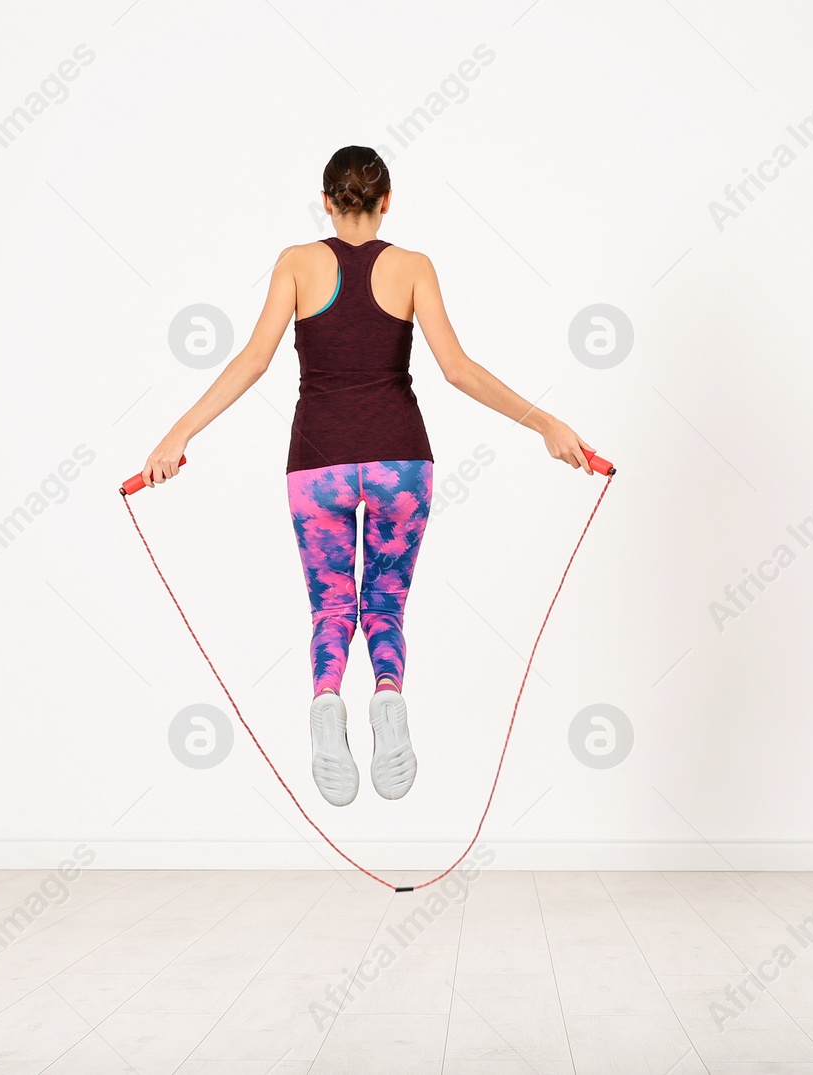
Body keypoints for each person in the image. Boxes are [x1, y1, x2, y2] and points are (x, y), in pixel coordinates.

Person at [142, 145, 594, 806]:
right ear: (388, 201)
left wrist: (178, 432)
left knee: (331, 605)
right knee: (383, 603)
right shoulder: (413, 268)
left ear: (326, 200)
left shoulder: (295, 264)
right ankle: (387, 694)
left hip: (318, 465)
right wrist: (547, 421)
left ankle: (327, 703)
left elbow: (253, 360)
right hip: (399, 463)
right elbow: (459, 370)